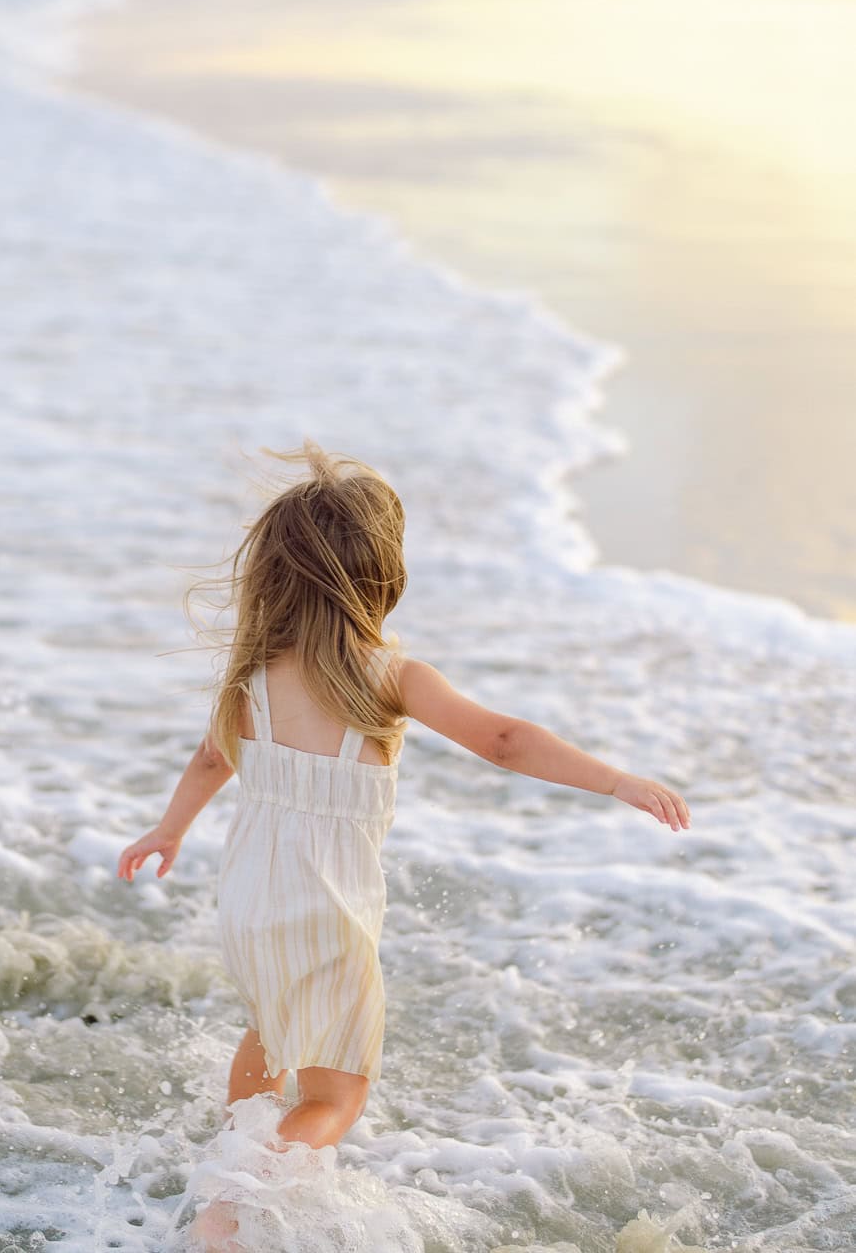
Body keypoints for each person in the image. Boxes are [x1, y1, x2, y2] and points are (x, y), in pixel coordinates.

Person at [118, 448, 689, 1211]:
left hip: (248, 898)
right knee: (336, 1098)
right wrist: (616, 779)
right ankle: (230, 1203)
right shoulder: (389, 675)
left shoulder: (252, 675)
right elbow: (504, 741)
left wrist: (169, 830)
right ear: (381, 574)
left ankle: (239, 1143)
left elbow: (209, 757)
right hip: (326, 909)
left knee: (271, 1030)